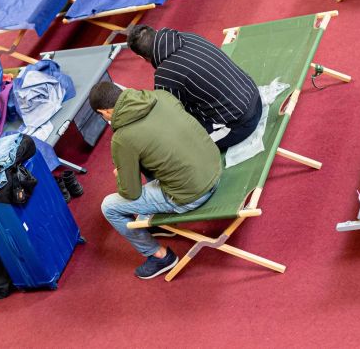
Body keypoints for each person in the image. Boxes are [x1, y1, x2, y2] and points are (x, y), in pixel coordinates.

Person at [90, 82, 222, 279]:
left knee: (109, 207)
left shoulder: (122, 138)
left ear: (105, 112)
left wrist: (122, 173)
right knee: (148, 158)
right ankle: (157, 222)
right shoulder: (161, 96)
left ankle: (160, 256)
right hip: (213, 167)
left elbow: (131, 192)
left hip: (193, 193)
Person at [127, 24, 262, 151]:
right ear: (156, 33)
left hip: (241, 124)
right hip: (253, 94)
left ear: (141, 57)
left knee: (180, 141)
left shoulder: (165, 75)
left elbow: (170, 115)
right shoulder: (187, 36)